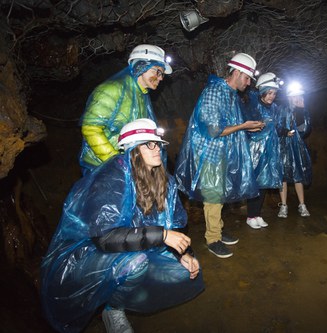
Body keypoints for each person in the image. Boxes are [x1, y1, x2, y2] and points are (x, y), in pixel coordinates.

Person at [41, 119, 204, 333]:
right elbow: (104, 238)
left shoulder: (163, 180)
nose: (158, 148)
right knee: (136, 264)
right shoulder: (110, 179)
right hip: (86, 255)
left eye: (158, 144)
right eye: (149, 144)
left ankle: (127, 290)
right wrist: (162, 235)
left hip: (135, 246)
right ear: (133, 149)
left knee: (181, 272)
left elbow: (175, 224)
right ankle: (113, 309)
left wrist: (184, 253)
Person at [175, 53, 264, 259]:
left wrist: (246, 128)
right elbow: (214, 130)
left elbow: (228, 126)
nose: (248, 83)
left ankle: (219, 229)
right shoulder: (215, 91)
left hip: (223, 153)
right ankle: (212, 239)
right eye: (247, 78)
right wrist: (243, 126)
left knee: (219, 193)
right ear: (238, 72)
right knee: (213, 196)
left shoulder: (230, 93)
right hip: (210, 153)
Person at [79, 44, 173, 174]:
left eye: (162, 74)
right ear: (141, 66)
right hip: (101, 167)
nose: (161, 77)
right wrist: (116, 161)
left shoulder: (141, 96)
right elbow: (91, 128)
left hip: (129, 166)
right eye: (157, 71)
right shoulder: (112, 90)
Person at [242, 72, 283, 229]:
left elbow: (275, 127)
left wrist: (284, 131)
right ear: (262, 90)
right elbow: (245, 126)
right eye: (269, 92)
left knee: (264, 183)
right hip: (254, 150)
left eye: (274, 93)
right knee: (255, 183)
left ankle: (257, 214)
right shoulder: (252, 104)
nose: (272, 96)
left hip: (268, 150)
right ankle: (250, 216)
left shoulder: (274, 108)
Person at [277, 82, 312, 218]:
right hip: (283, 146)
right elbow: (276, 125)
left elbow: (306, 130)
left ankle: (302, 205)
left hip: (297, 147)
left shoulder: (303, 110)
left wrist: (301, 110)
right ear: (289, 97)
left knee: (298, 175)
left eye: (299, 95)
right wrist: (284, 132)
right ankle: (283, 206)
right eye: (294, 96)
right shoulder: (281, 109)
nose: (297, 97)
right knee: (283, 176)